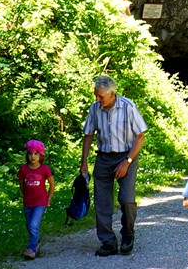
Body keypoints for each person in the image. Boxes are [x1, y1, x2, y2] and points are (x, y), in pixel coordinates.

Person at [79, 75, 149, 257]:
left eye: (101, 96)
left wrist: (127, 162)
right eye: (96, 95)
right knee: (102, 202)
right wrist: (84, 162)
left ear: (112, 93)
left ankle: (127, 234)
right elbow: (88, 134)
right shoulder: (95, 109)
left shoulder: (128, 106)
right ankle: (108, 242)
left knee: (126, 199)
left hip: (127, 156)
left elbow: (140, 137)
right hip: (103, 158)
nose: (97, 99)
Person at [18, 139, 56, 260]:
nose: (33, 156)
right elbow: (21, 184)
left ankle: (31, 249)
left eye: (36, 153)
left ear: (40, 155)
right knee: (29, 225)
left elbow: (52, 184)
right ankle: (37, 242)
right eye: (30, 153)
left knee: (34, 224)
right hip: (28, 202)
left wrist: (48, 198)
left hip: (40, 202)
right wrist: (25, 195)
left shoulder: (44, 169)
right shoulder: (23, 169)